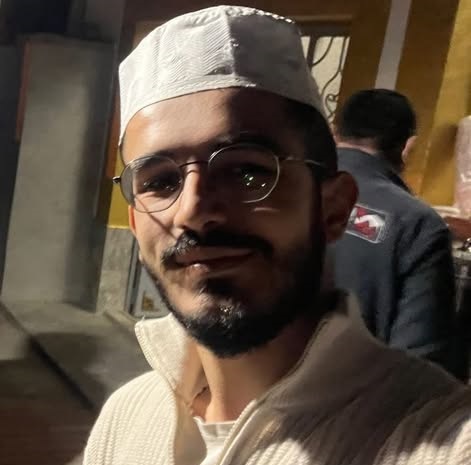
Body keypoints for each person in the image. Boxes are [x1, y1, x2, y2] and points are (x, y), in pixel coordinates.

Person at [84, 7, 471, 465]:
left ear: (333, 208)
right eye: (160, 181)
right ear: (135, 223)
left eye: (247, 172)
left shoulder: (437, 439)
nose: (192, 211)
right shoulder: (128, 417)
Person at [331, 89, 464, 379]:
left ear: (334, 132)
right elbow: (420, 366)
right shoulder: (417, 225)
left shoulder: (284, 190)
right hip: (354, 399)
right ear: (408, 147)